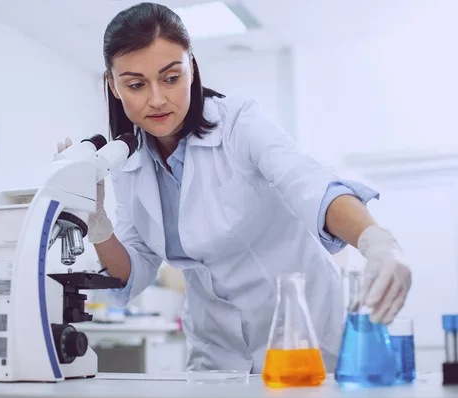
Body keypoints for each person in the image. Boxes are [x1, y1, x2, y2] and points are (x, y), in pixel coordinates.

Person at [57, 2, 411, 373]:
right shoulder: (129, 162)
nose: (157, 98)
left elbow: (308, 182)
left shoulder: (238, 123)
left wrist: (377, 242)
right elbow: (135, 267)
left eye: (171, 78)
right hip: (216, 353)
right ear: (112, 86)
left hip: (300, 339)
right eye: (136, 84)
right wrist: (96, 223)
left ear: (191, 69)